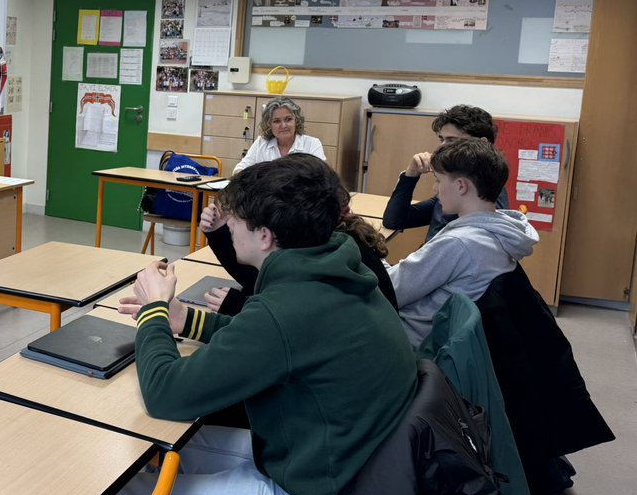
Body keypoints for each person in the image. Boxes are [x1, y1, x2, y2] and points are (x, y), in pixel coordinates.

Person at [22, 155, 417, 495]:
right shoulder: (337, 269)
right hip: (346, 473)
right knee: (161, 450)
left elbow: (168, 395)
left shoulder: (288, 306)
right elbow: (273, 342)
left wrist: (153, 310)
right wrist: (184, 321)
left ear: (266, 236)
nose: (229, 224)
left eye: (238, 218)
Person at [388, 138, 537, 347]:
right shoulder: (498, 231)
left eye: (438, 181)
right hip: (437, 334)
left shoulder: (459, 243)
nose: (435, 189)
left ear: (460, 186)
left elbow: (390, 290)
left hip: (408, 339)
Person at [199, 161, 397, 314]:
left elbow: (290, 323)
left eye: (237, 218)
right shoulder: (332, 243)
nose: (231, 224)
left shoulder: (323, 260)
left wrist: (244, 308)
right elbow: (262, 278)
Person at [382, 104, 508, 241]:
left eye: (452, 140)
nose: (441, 148)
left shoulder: (484, 194)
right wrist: (411, 174)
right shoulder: (453, 188)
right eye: (442, 140)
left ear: (482, 144)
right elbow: (393, 221)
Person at [234, 96, 325, 174]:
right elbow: (239, 169)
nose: (283, 125)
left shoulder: (312, 144)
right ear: (269, 124)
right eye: (276, 121)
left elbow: (321, 174)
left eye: (288, 119)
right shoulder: (261, 143)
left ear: (296, 121)